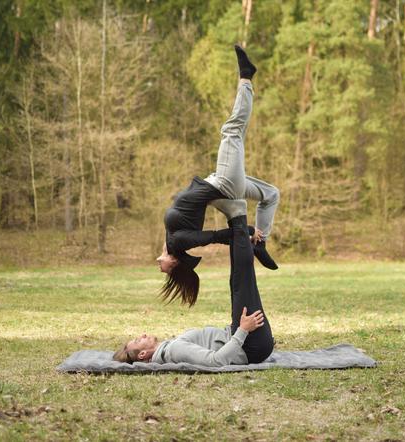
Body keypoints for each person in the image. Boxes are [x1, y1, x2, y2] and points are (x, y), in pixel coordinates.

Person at [158, 45, 280, 307]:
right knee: (232, 130)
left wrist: (254, 235)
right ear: (175, 262)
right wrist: (246, 230)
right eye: (165, 268)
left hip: (217, 184)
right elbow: (215, 236)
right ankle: (246, 77)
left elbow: (171, 245)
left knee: (271, 194)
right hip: (223, 186)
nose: (159, 264)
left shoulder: (171, 240)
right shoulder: (179, 241)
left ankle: (262, 242)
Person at [114, 212, 274, 365]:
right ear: (143, 354)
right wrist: (243, 330)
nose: (142, 335)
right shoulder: (174, 350)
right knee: (242, 279)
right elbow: (216, 361)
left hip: (244, 339)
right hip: (250, 344)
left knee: (238, 280)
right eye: (137, 340)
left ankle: (240, 226)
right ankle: (239, 219)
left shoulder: (169, 348)